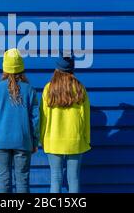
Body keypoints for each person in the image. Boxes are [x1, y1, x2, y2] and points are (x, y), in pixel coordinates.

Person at [0, 48, 39, 193]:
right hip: (23, 140)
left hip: (1, 140)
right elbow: (35, 119)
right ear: (21, 68)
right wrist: (35, 141)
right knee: (22, 180)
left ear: (5, 68)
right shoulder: (29, 90)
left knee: (3, 178)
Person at [40, 52, 91, 193]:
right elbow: (85, 117)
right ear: (72, 69)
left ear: (57, 68)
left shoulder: (48, 89)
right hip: (75, 140)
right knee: (73, 179)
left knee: (55, 178)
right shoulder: (80, 89)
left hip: (53, 140)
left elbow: (44, 117)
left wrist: (42, 138)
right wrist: (86, 139)